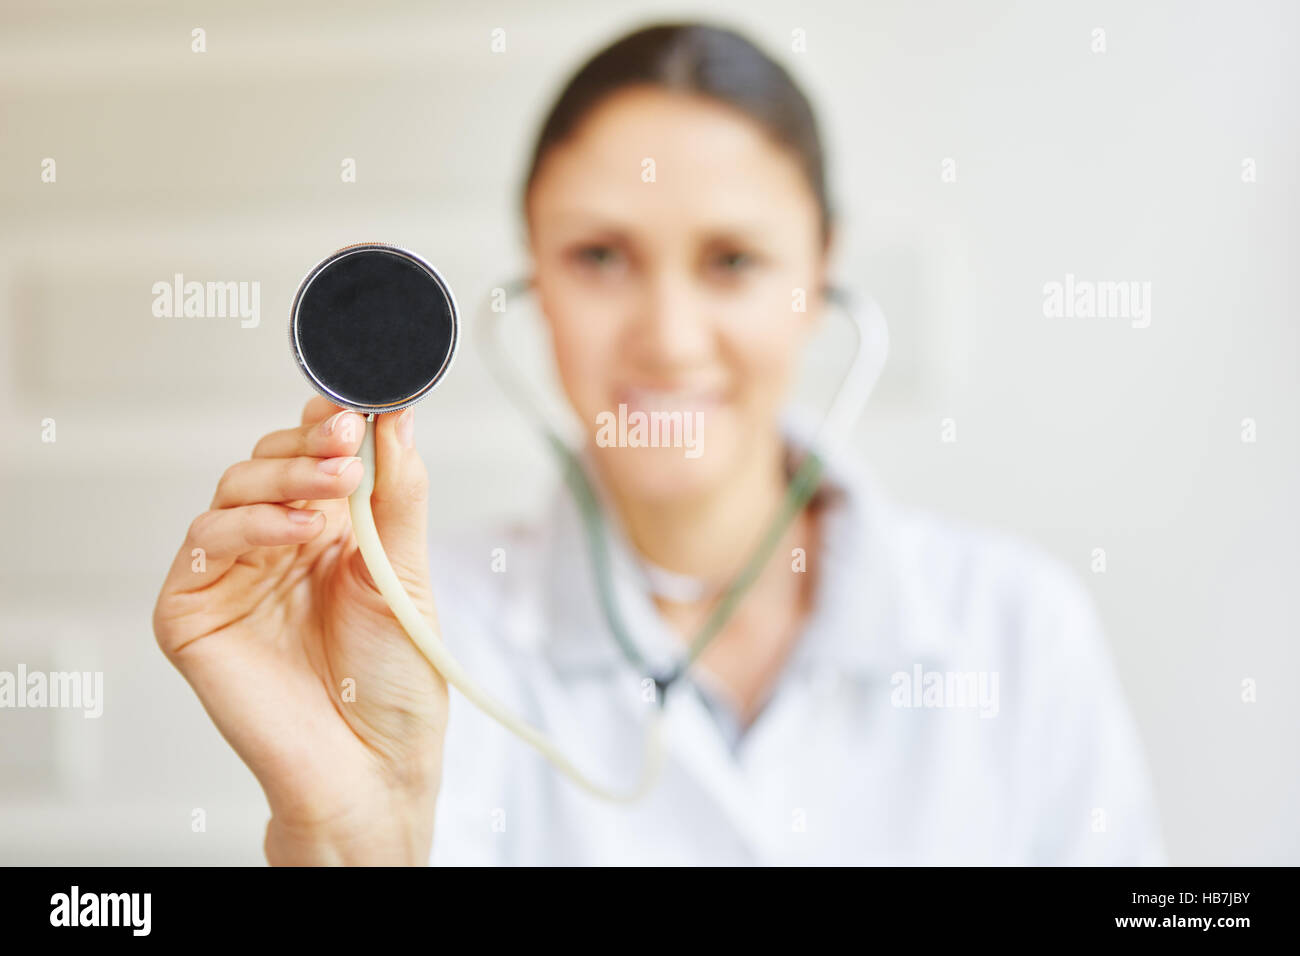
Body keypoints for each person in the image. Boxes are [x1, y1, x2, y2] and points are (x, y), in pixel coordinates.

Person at [151, 22, 1164, 865]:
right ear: (535, 283)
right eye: (599, 256)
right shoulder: (409, 630)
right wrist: (352, 834)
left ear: (819, 275)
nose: (669, 337)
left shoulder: (1016, 633)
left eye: (732, 259)